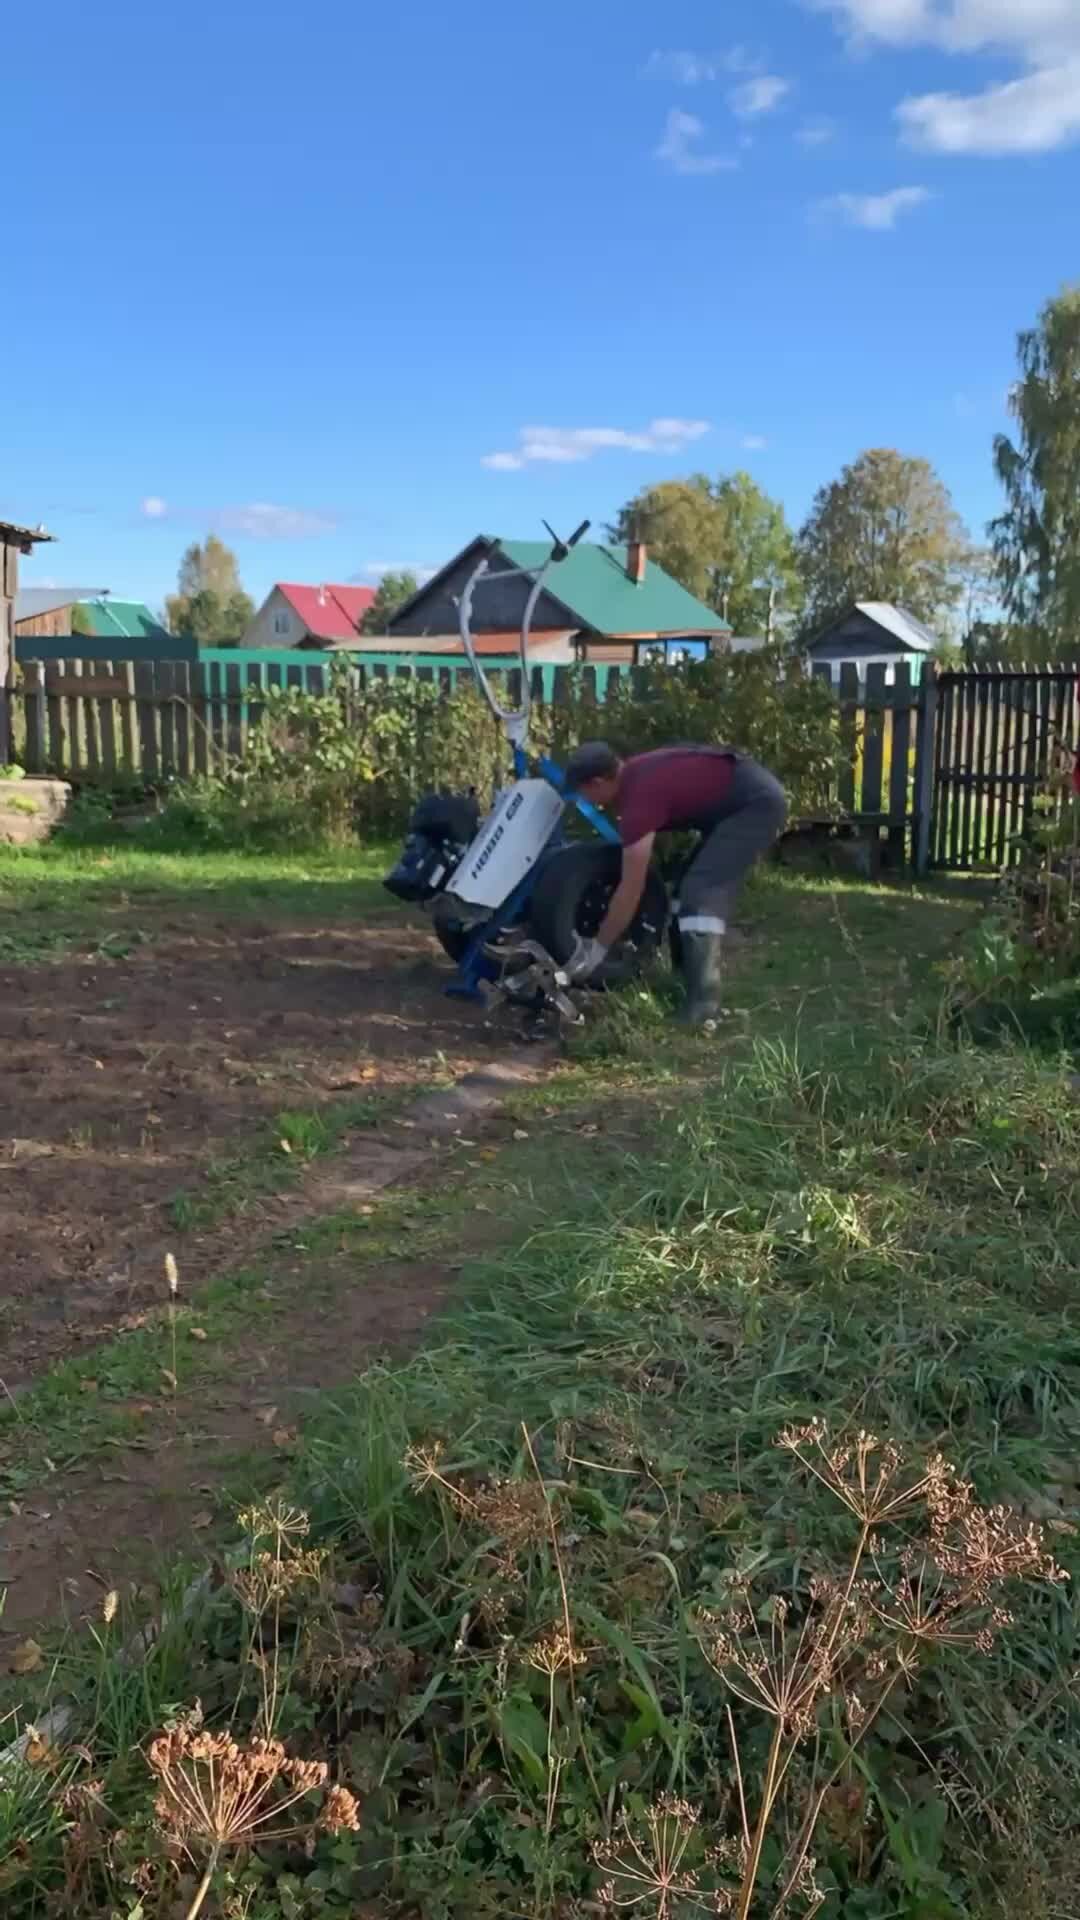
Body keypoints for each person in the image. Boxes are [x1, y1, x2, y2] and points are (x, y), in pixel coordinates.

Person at [562, 740, 787, 1024]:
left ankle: (703, 1007)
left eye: (584, 794)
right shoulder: (636, 774)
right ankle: (684, 984)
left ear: (597, 782)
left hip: (757, 806)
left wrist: (598, 948)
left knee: (701, 893)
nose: (586, 801)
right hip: (741, 801)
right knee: (683, 893)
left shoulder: (639, 797)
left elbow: (631, 887)